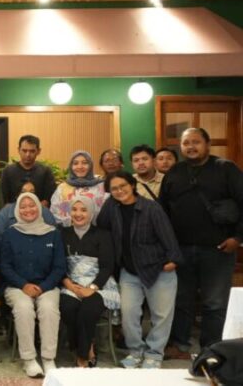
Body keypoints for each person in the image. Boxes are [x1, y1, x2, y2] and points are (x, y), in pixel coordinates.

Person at [160, 128, 243, 359]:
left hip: (219, 249)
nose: (191, 147)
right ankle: (180, 345)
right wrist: (167, 247)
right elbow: (162, 211)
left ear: (208, 144)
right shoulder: (174, 172)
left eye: (196, 142)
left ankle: (211, 348)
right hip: (181, 250)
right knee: (181, 300)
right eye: (186, 143)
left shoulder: (226, 169)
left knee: (214, 303)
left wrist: (238, 238)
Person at [97, 171, 182, 369]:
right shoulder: (112, 208)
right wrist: (110, 201)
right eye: (114, 189)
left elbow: (167, 235)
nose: (119, 191)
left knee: (161, 316)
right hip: (129, 271)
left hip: (158, 269)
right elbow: (101, 226)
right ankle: (135, 352)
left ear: (133, 185)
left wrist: (173, 260)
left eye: (123, 186)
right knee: (128, 314)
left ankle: (154, 354)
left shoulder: (151, 208)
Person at [0, 192, 65, 378]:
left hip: (47, 285)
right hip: (17, 286)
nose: (28, 209)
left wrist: (43, 287)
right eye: (23, 206)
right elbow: (5, 266)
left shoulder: (53, 233)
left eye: (32, 205)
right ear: (17, 210)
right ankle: (28, 360)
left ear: (39, 207)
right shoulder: (10, 233)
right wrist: (23, 285)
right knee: (23, 307)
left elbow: (59, 267)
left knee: (49, 308)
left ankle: (48, 358)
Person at [59, 198, 119, 368]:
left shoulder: (103, 235)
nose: (78, 214)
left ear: (91, 213)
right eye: (75, 209)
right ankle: (88, 347)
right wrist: (69, 285)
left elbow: (107, 267)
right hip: (70, 283)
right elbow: (57, 264)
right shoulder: (62, 234)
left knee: (88, 308)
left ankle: (82, 356)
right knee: (68, 307)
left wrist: (92, 288)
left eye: (84, 210)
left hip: (98, 283)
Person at [50, 151, 106, 227]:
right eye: (75, 163)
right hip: (67, 231)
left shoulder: (100, 186)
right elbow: (54, 212)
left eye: (84, 163)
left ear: (90, 165)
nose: (80, 166)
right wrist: (71, 222)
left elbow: (105, 212)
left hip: (96, 230)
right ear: (71, 166)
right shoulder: (62, 187)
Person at [0, 135, 56, 206]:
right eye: (24, 151)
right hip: (13, 211)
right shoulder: (8, 171)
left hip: (39, 210)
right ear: (18, 150)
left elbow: (49, 199)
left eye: (32, 151)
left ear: (38, 151)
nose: (28, 155)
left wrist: (32, 209)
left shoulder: (46, 171)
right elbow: (5, 200)